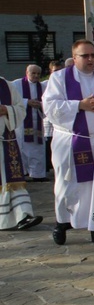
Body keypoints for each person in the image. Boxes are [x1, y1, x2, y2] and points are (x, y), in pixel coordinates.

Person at [44, 39, 94, 246]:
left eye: (93, 55)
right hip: (71, 141)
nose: (91, 59)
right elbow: (50, 107)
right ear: (74, 58)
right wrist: (80, 105)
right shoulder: (59, 78)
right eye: (85, 56)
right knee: (67, 185)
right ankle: (62, 221)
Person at [0, 76, 43, 231]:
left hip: (6, 141)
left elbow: (20, 108)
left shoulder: (5, 84)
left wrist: (6, 110)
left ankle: (23, 216)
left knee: (14, 180)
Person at [12, 65, 48, 181]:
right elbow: (12, 100)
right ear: (27, 73)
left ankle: (38, 175)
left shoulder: (42, 87)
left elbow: (47, 102)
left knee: (37, 150)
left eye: (38, 74)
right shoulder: (16, 84)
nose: (36, 76)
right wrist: (27, 102)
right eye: (33, 73)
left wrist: (41, 105)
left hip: (37, 123)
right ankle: (22, 173)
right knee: (21, 149)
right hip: (22, 124)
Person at [43, 60, 65, 173]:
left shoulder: (65, 82)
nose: (58, 72)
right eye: (55, 71)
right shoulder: (44, 84)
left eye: (60, 70)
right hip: (47, 120)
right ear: (50, 71)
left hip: (63, 122)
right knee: (48, 144)